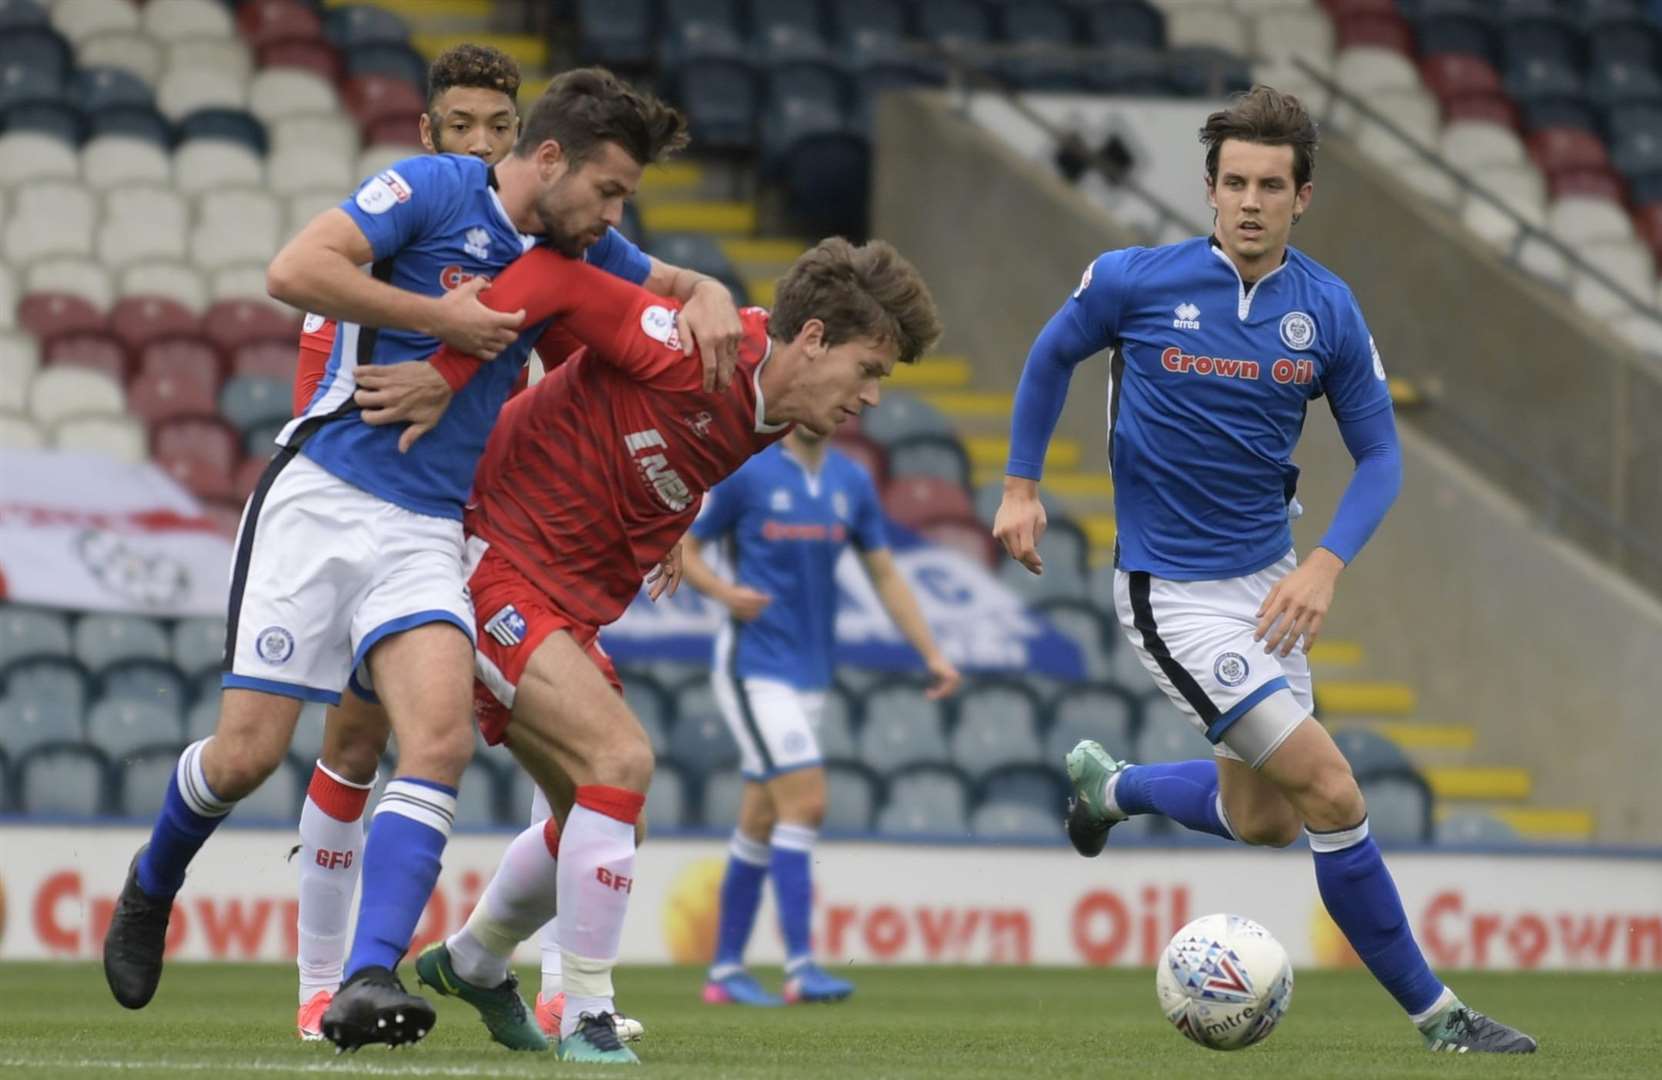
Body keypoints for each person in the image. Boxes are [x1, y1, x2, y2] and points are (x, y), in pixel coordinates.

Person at [101, 68, 730, 1054]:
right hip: (321, 498)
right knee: (248, 756)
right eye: (609, 190)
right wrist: (449, 321)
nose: (615, 215)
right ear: (552, 160)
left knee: (433, 741)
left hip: (431, 526)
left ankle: (364, 979)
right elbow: (293, 270)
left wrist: (718, 291)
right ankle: (152, 883)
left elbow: (674, 288)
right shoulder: (435, 190)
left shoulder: (584, 246)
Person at [992, 86, 1537, 1055]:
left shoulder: (1325, 310)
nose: (1249, 201)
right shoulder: (1134, 281)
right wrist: (1022, 484)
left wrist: (1324, 564)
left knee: (1270, 823)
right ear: (1208, 188)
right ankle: (1441, 1018)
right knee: (1331, 791)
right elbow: (1049, 356)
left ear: (1303, 197)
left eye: (1270, 186)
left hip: (1270, 588)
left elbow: (1381, 458)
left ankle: (1110, 790)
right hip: (1172, 593)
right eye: (1234, 182)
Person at [385, 235, 940, 1062]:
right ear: (814, 338)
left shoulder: (772, 404)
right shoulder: (697, 345)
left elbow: (616, 383)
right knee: (622, 760)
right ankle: (585, 1014)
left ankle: (472, 959)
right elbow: (560, 282)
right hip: (491, 560)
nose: (871, 398)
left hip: (564, 596)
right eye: (869, 370)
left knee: (605, 817)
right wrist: (455, 379)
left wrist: (669, 519)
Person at [283, 47, 684, 1045]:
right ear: (429, 135)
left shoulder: (564, 254)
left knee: (592, 777)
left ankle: (548, 982)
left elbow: (587, 362)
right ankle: (325, 982)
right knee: (356, 741)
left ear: (530, 145)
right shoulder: (394, 238)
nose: (478, 142)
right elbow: (327, 414)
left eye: (495, 127)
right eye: (459, 125)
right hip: (385, 523)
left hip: (486, 541)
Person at [679, 427, 962, 1006]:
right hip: (751, 664)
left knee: (761, 817)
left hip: (810, 673)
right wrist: (723, 592)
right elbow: (684, 546)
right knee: (807, 801)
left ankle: (726, 971)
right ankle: (801, 964)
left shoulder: (849, 481)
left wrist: (931, 653)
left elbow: (884, 572)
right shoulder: (749, 472)